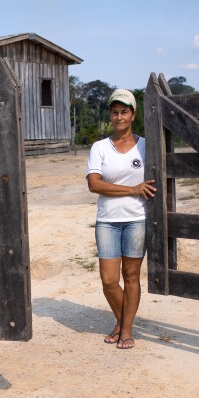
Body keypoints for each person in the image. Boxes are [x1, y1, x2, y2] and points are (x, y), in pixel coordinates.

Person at [85, 89, 156, 349]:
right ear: (110, 116)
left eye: (124, 111)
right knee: (108, 280)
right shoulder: (100, 147)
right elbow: (94, 184)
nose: (119, 116)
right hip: (107, 221)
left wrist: (141, 192)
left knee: (131, 276)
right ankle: (121, 320)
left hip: (137, 218)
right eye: (115, 112)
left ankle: (125, 330)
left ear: (133, 114)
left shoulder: (147, 146)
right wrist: (133, 190)